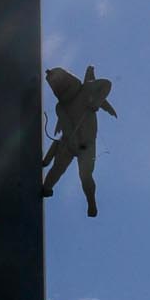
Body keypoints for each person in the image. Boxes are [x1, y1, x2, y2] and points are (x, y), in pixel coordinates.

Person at [41, 63, 116, 216]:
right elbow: (65, 123)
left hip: (87, 144)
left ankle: (91, 202)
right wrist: (70, 137)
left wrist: (97, 102)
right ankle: (46, 187)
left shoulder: (86, 89)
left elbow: (107, 84)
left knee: (85, 175)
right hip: (69, 143)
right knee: (57, 169)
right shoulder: (60, 106)